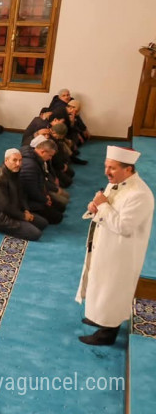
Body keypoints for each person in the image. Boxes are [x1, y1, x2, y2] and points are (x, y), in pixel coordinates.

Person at [77, 146, 155, 345]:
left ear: (128, 169)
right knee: (99, 286)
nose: (106, 172)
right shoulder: (118, 182)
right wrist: (94, 207)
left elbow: (124, 226)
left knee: (112, 291)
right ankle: (98, 316)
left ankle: (107, 334)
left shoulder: (140, 194)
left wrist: (102, 205)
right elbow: (106, 209)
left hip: (121, 254)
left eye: (112, 168)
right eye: (106, 166)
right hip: (105, 246)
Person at [0, 148, 49, 241]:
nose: (18, 164)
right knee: (36, 234)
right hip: (1, 217)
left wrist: (26, 210)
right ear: (6, 160)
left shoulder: (15, 171)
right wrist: (23, 216)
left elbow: (22, 194)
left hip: (15, 211)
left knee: (43, 223)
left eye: (20, 160)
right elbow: (4, 207)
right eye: (14, 160)